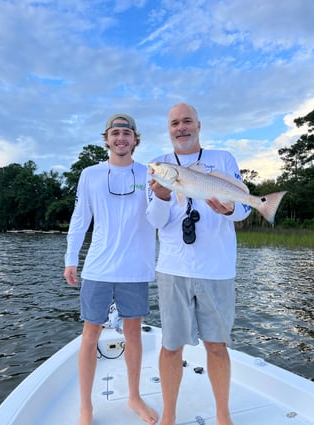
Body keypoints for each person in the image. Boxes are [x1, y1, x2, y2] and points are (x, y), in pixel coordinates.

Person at [147, 103, 251, 425]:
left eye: (187, 121)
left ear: (199, 125)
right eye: (175, 123)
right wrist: (162, 196)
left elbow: (244, 208)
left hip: (217, 269)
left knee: (217, 346)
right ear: (169, 129)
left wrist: (229, 211)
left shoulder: (223, 159)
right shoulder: (161, 167)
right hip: (173, 269)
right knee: (171, 346)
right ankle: (169, 416)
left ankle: (223, 415)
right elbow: (154, 220)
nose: (181, 128)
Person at [64, 113, 158, 425]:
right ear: (106, 138)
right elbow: (80, 220)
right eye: (115, 133)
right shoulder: (90, 174)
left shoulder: (150, 174)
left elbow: (163, 214)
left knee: (133, 333)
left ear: (136, 139)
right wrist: (70, 258)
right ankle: (86, 407)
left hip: (136, 268)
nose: (121, 138)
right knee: (90, 334)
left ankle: (134, 396)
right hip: (98, 268)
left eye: (127, 133)